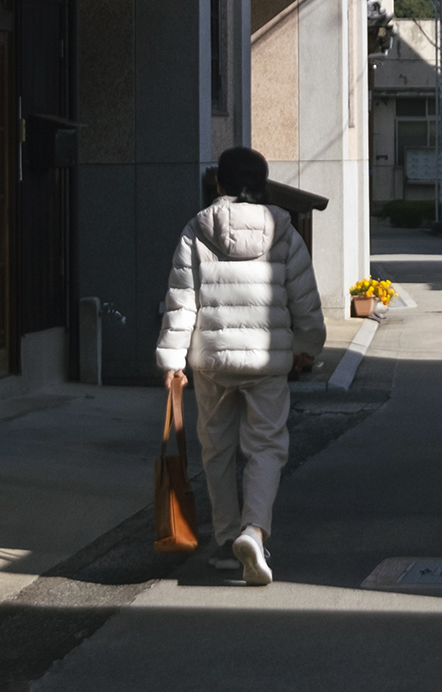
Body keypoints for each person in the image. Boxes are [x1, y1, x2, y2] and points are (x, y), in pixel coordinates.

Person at [153, 146, 323, 586]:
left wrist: (172, 360)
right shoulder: (283, 230)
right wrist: (308, 344)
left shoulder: (197, 229)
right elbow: (304, 298)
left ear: (219, 185)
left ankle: (228, 541)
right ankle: (254, 530)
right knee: (266, 446)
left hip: (212, 359)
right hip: (267, 360)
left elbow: (181, 300)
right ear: (263, 187)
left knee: (217, 449)